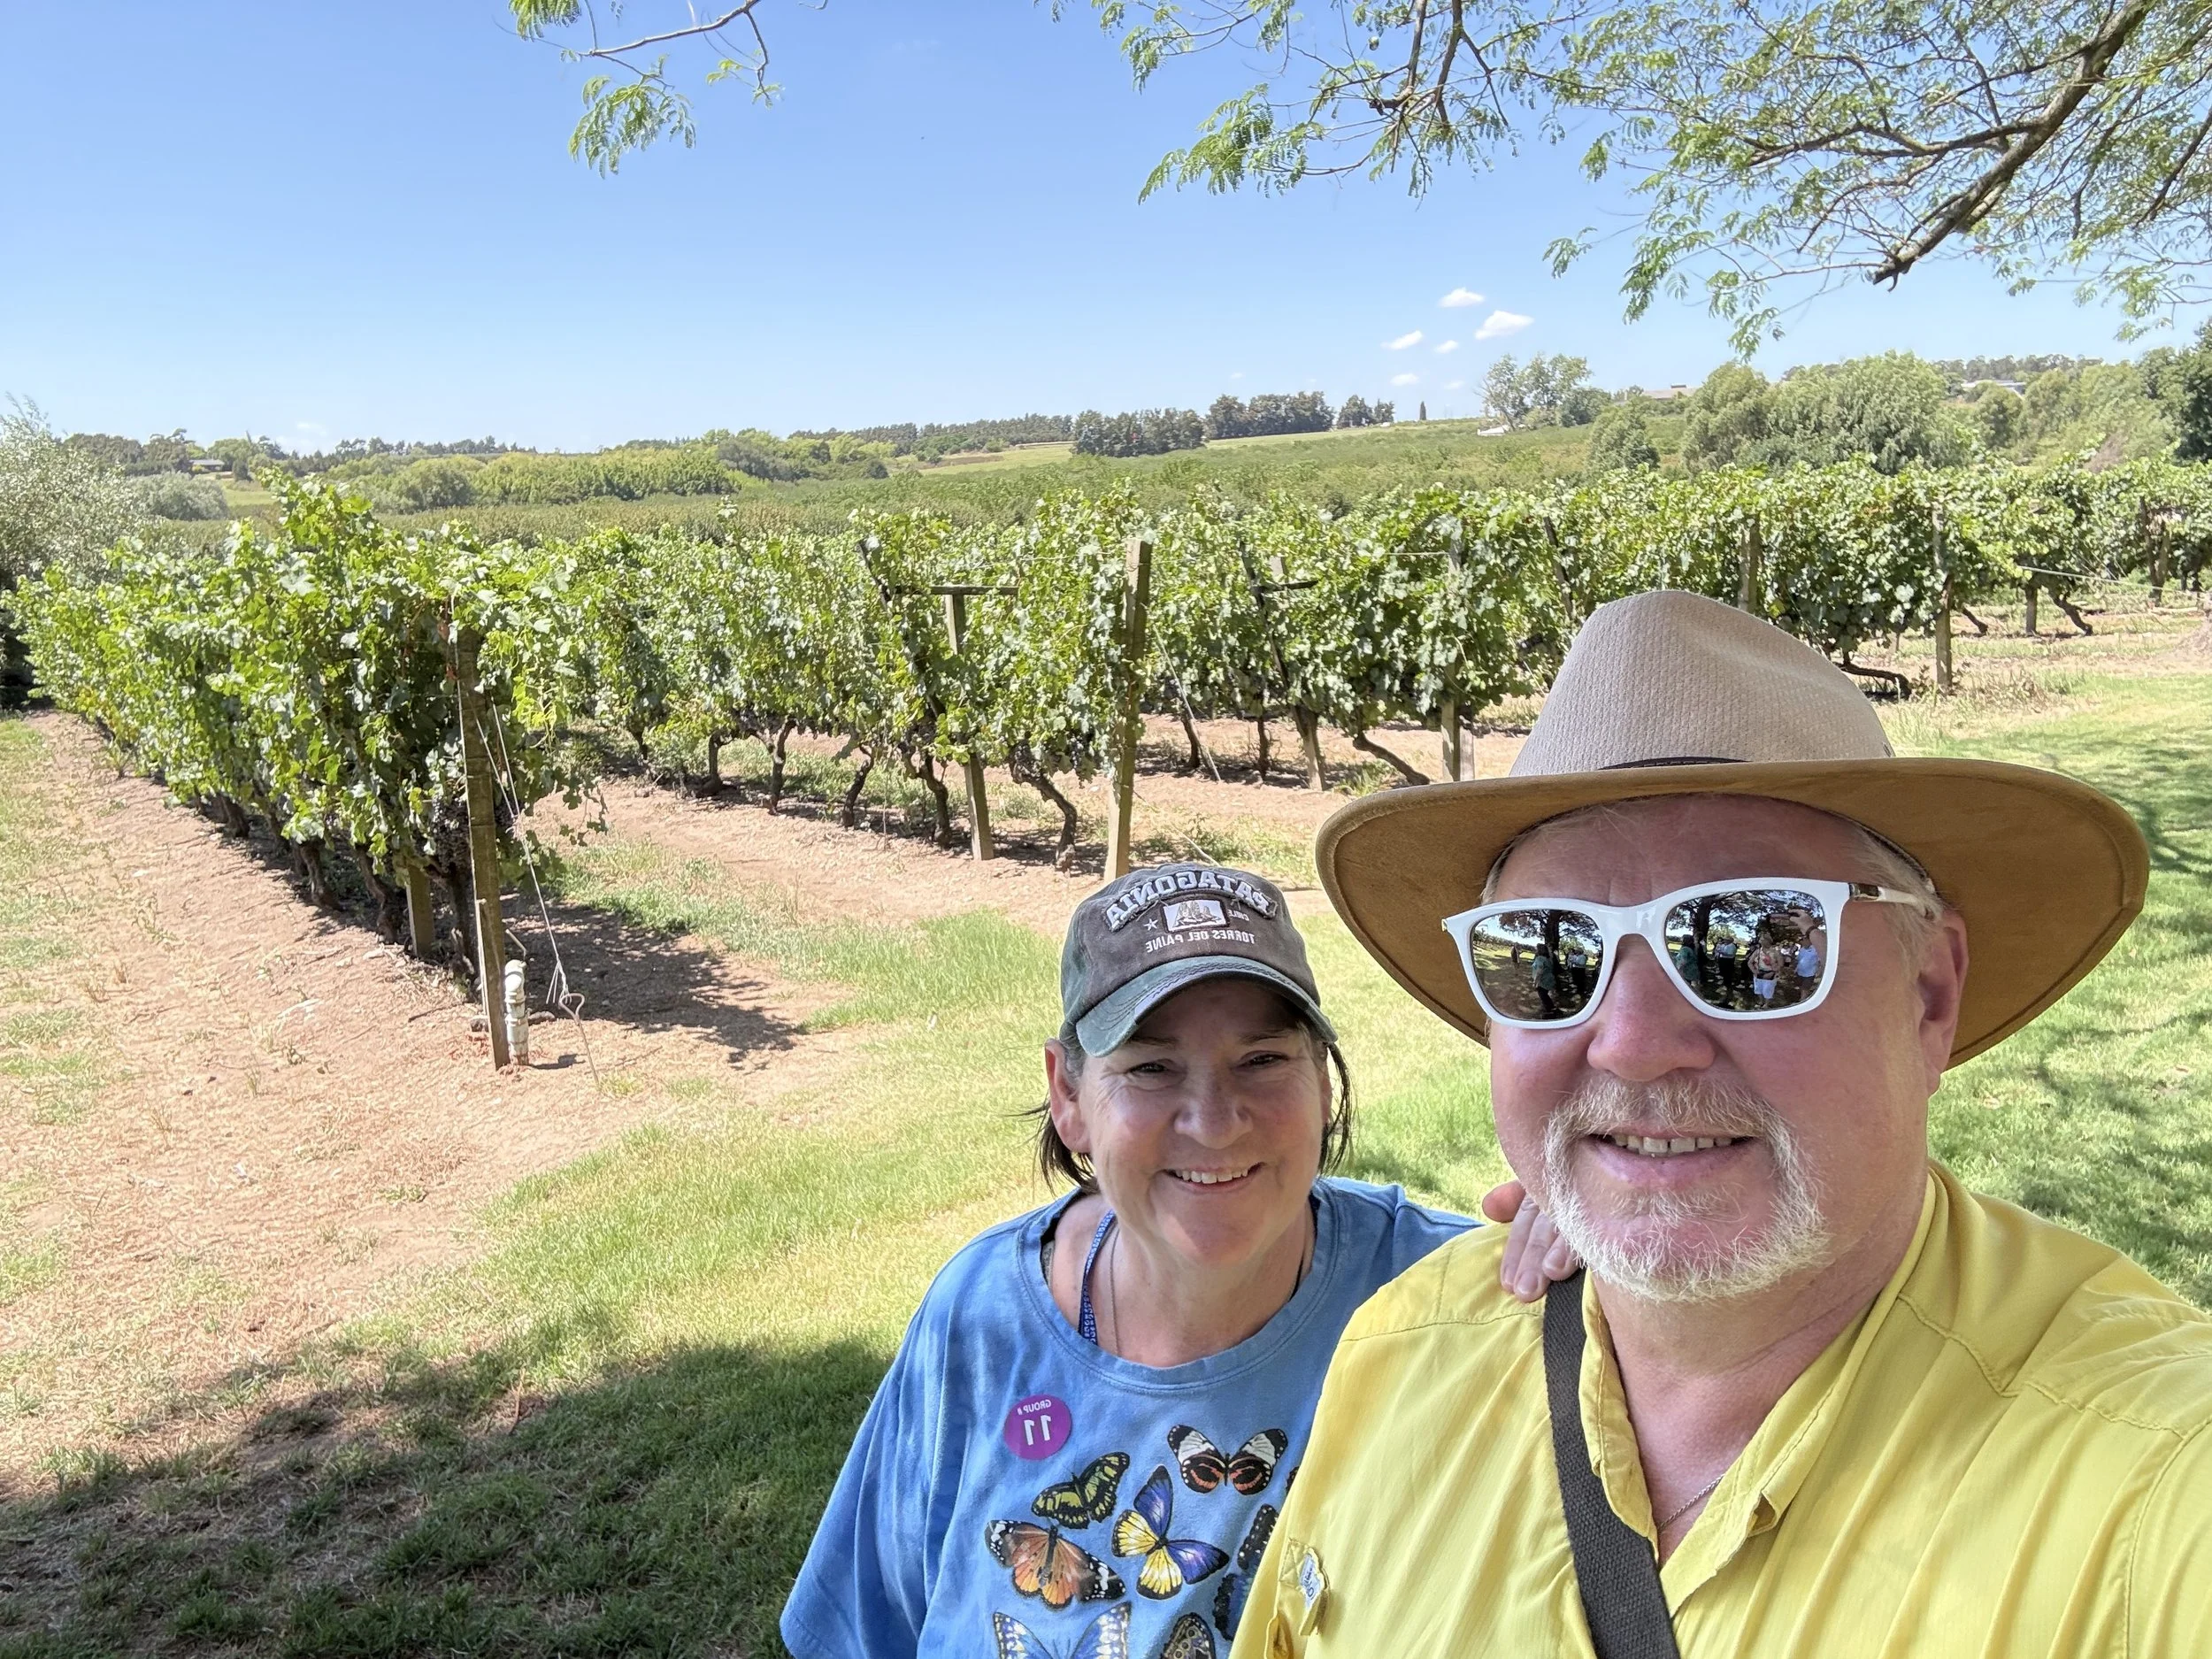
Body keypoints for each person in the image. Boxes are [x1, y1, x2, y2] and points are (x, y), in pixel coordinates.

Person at [1234, 590, 2212, 1655]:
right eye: (1550, 952)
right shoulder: (1401, 1358)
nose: (1633, 1042)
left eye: (1751, 944)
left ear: (1927, 993)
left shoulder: (2153, 1480)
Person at [781, 863, 1574, 1659]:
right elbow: (862, 1630)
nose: (1215, 1121)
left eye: (1262, 1059)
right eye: (1151, 1067)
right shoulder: (981, 1319)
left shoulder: (1447, 1301)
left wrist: (1592, 1233)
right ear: (1069, 1096)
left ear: (1323, 1083)